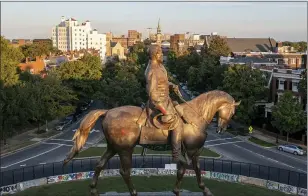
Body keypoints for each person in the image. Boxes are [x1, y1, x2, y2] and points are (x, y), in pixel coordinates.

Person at [145, 44, 189, 165]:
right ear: (155, 55)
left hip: (166, 99)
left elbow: (162, 81)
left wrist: (171, 85)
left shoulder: (159, 67)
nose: (163, 55)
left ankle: (184, 147)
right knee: (177, 123)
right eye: (161, 53)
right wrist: (162, 109)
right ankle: (176, 155)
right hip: (158, 103)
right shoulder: (153, 70)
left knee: (181, 110)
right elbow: (152, 93)